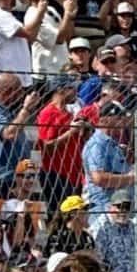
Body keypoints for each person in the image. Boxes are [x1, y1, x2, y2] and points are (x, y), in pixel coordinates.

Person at [0, 74, 39, 194]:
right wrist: (26, 109)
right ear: (7, 91)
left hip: (16, 178)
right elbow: (9, 133)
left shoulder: (7, 111)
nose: (22, 95)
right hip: (0, 179)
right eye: (19, 91)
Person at [81, 100, 135, 236]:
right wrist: (132, 178)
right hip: (104, 210)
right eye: (119, 118)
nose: (123, 123)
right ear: (106, 120)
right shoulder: (97, 145)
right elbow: (98, 178)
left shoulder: (112, 143)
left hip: (119, 210)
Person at [37, 74, 86, 207]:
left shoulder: (68, 113)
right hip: (57, 174)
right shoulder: (48, 113)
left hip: (73, 173)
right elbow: (46, 145)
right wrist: (71, 131)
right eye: (72, 88)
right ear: (60, 90)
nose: (76, 92)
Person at [0, 0, 44, 86]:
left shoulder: (9, 17)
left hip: (21, 79)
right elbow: (27, 32)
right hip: (8, 82)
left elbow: (30, 37)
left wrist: (40, 15)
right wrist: (40, 12)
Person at [24, 0, 78, 74]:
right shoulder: (32, 16)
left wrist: (70, 16)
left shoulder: (51, 9)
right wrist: (67, 13)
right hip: (48, 73)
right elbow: (59, 39)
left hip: (62, 69)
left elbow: (68, 36)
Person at [95, 189, 137, 272]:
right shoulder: (103, 230)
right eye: (119, 206)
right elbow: (100, 261)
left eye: (127, 207)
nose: (123, 210)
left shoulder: (135, 228)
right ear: (111, 207)